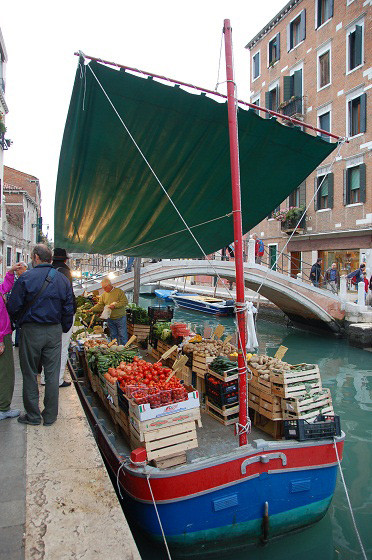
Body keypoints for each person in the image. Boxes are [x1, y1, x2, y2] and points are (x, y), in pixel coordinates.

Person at [7, 244, 74, 426]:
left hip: (31, 330)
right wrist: (63, 328)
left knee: (30, 373)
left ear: (36, 257)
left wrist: (20, 323)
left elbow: (13, 306)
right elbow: (69, 308)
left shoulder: (26, 278)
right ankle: (50, 416)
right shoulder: (62, 279)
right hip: (54, 331)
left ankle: (33, 416)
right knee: (52, 375)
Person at [40, 248, 77, 387]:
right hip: (62, 316)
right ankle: (58, 379)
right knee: (62, 347)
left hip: (47, 315)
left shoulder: (45, 271)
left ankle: (44, 377)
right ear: (65, 259)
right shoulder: (66, 272)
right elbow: (68, 298)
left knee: (48, 348)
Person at [0, 262, 26, 421]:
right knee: (6, 373)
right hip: (2, 336)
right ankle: (3, 408)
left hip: (4, 334)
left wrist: (11, 272)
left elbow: (5, 287)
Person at [88, 278, 128, 344]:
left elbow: (125, 302)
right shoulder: (104, 295)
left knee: (122, 335)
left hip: (120, 317)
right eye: (103, 287)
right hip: (110, 318)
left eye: (105, 287)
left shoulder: (119, 291)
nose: (104, 289)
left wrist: (115, 306)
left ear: (109, 285)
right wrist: (92, 309)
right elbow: (100, 305)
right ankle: (114, 348)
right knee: (113, 335)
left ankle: (124, 349)